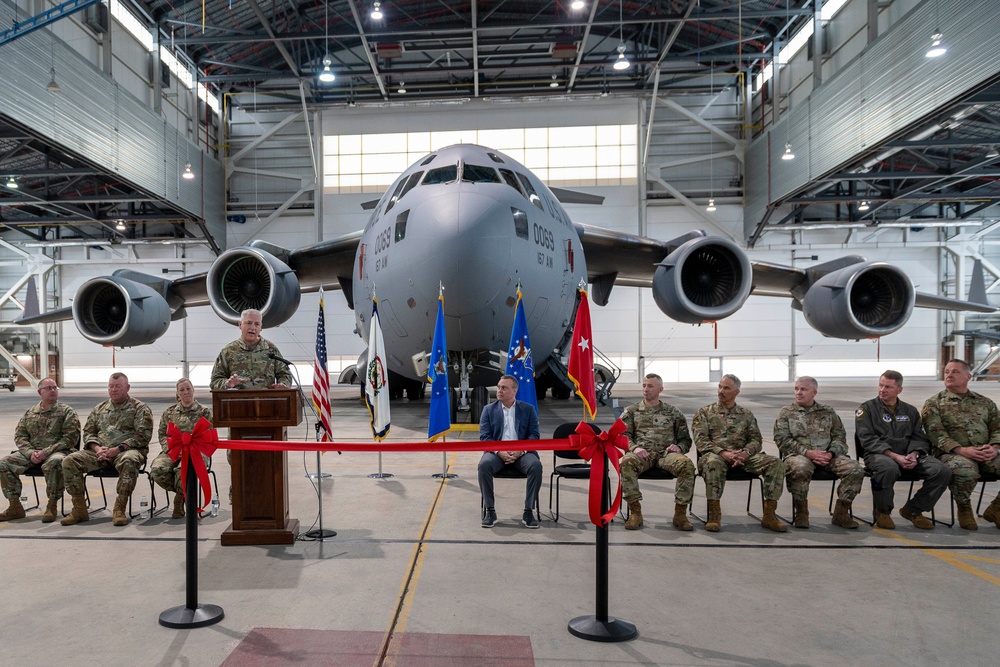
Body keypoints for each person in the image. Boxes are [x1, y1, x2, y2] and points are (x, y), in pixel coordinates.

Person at [856, 370, 950, 530]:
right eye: (881, 385)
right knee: (888, 468)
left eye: (888, 387)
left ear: (899, 390)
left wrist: (914, 454)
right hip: (879, 455)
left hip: (909, 455)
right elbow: (867, 439)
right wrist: (895, 456)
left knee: (942, 471)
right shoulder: (867, 409)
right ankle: (882, 512)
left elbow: (919, 436)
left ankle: (913, 510)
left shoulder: (910, 411)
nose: (882, 390)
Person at [692, 374, 787, 532]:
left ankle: (769, 515)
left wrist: (745, 453)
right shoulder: (704, 413)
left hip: (743, 458)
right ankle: (714, 515)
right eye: (720, 387)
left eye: (726, 388)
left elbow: (756, 439)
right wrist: (723, 453)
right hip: (715, 456)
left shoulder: (746, 414)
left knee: (775, 463)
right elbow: (701, 441)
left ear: (736, 392)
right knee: (713, 463)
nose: (721, 391)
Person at [61, 372, 153, 526]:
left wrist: (117, 450)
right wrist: (97, 449)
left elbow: (143, 435)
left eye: (118, 386)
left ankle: (119, 509)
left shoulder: (140, 408)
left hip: (125, 451)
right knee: (69, 460)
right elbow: (89, 432)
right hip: (99, 453)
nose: (114, 389)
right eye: (111, 386)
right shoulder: (100, 408)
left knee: (129, 461)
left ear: (128, 387)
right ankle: (79, 509)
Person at [774, 376, 864, 529]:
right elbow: (782, 440)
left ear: (814, 393)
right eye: (796, 389)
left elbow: (839, 436)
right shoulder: (786, 413)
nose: (799, 392)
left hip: (828, 456)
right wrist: (808, 453)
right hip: (799, 456)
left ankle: (841, 513)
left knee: (855, 469)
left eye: (803, 389)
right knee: (800, 467)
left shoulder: (827, 412)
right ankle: (801, 512)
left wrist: (830, 453)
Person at [921, 359, 1000, 530]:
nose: (949, 375)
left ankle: (996, 508)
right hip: (951, 454)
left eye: (955, 372)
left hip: (985, 452)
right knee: (964, 471)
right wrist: (962, 450)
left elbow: (997, 428)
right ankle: (964, 507)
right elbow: (936, 434)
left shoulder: (985, 403)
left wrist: (994, 448)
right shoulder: (934, 403)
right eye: (947, 371)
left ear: (968, 376)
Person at [619, 373, 695, 531]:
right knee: (626, 462)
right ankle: (635, 513)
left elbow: (685, 440)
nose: (646, 389)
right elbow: (622, 436)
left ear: (660, 389)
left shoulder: (673, 412)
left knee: (687, 465)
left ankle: (680, 514)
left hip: (666, 455)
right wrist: (634, 448)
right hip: (642, 454)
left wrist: (679, 448)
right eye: (644, 385)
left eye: (650, 386)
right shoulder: (632, 411)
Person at [0, 378, 81, 522]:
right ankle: (15, 506)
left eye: (54, 388)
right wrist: (30, 453)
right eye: (48, 388)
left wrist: (46, 452)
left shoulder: (66, 412)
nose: (53, 391)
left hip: (58, 452)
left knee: (55, 462)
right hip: (32, 453)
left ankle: (52, 505)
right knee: (4, 463)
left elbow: (70, 439)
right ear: (40, 392)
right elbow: (20, 436)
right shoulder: (30, 413)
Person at [478, 374, 542, 529]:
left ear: (514, 391)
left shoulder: (528, 409)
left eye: (504, 388)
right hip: (497, 453)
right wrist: (500, 451)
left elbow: (534, 435)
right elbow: (485, 437)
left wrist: (520, 450)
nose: (499, 391)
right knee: (484, 465)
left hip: (522, 454)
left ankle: (528, 511)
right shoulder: (488, 410)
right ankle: (490, 511)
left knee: (536, 466)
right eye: (499, 387)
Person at [150, 378, 213, 519]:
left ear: (193, 389)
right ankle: (181, 494)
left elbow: (209, 436)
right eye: (182, 390)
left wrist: (193, 450)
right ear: (177, 394)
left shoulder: (204, 412)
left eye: (188, 389)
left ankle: (181, 501)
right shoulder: (170, 412)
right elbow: (162, 434)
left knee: (183, 471)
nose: (186, 392)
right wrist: (170, 449)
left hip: (196, 452)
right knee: (157, 470)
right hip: (173, 451)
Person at [210, 308, 293, 390]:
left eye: (257, 324)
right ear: (240, 324)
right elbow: (215, 381)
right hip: (238, 402)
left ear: (261, 327)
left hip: (266, 401)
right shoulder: (228, 351)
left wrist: (283, 385)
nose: (253, 327)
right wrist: (227, 384)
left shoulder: (271, 349)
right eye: (249, 323)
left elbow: (284, 374)